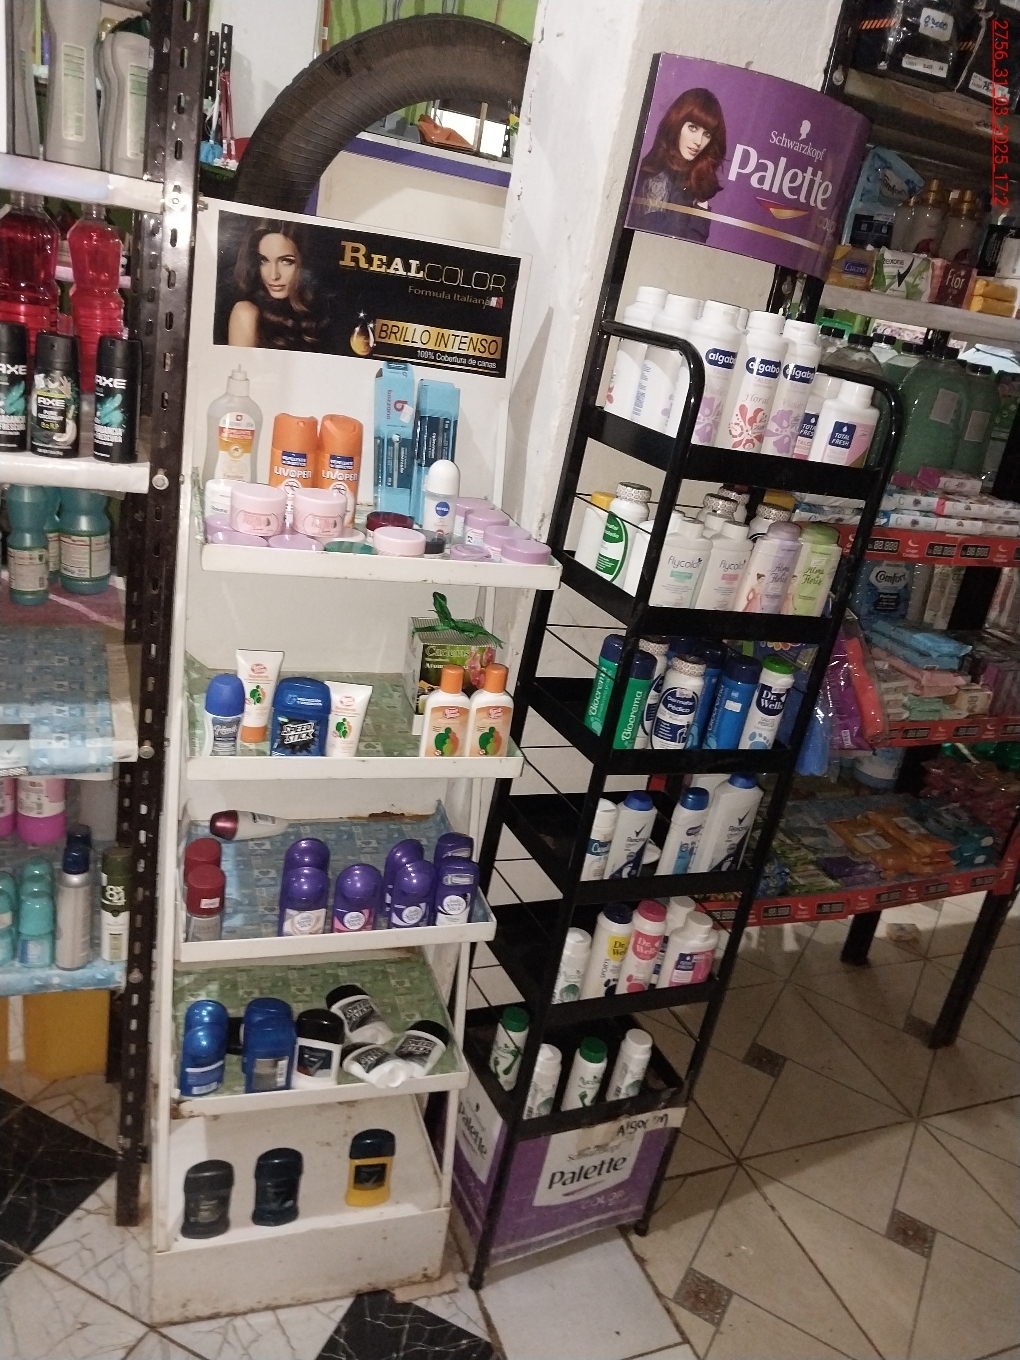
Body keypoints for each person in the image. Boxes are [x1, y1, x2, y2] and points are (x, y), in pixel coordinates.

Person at [632, 88, 727, 243]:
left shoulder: (688, 181)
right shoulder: (658, 177)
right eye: (693, 128)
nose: (698, 141)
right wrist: (701, 207)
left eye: (707, 134)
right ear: (676, 124)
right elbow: (659, 244)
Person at [227, 219, 328, 350]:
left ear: (304, 263)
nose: (273, 275)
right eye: (264, 260)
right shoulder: (246, 312)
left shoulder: (320, 312)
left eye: (286, 261)